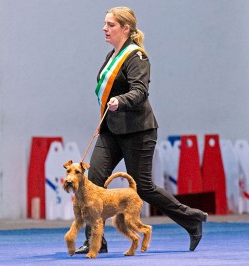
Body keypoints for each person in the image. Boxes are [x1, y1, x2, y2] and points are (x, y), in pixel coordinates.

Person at [75, 6, 208, 254]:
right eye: (105, 23)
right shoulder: (111, 56)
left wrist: (120, 100)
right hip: (111, 131)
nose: (105, 28)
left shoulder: (137, 57)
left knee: (144, 187)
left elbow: (139, 91)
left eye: (111, 24)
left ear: (126, 28)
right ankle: (96, 241)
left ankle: (191, 219)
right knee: (92, 181)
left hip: (138, 131)